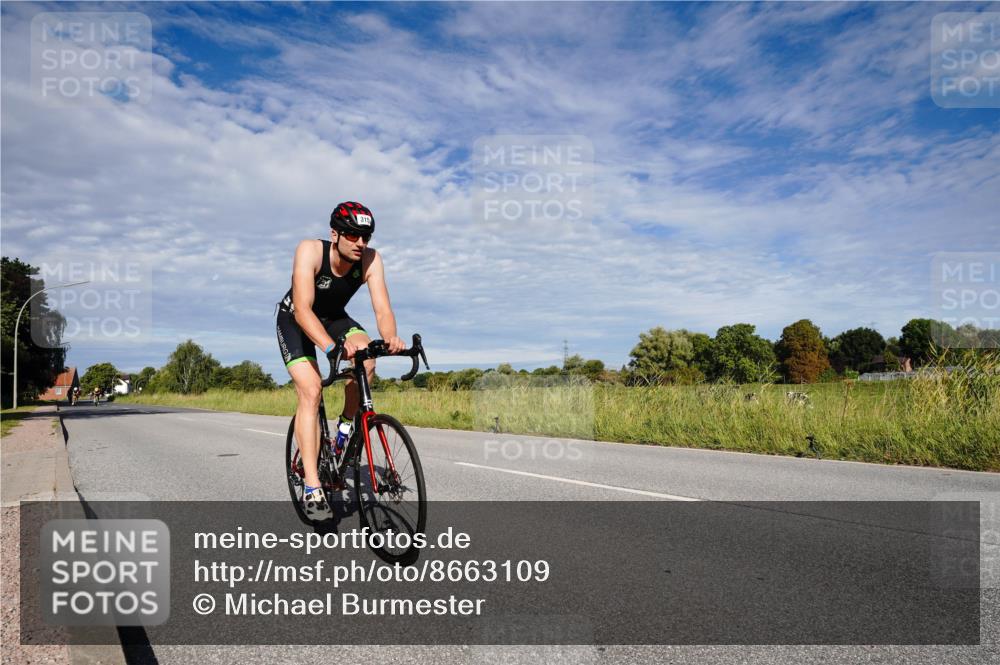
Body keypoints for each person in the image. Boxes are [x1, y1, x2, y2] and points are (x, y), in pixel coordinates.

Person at [276, 201, 405, 520]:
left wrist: (389, 339)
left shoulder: (371, 260)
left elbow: (382, 310)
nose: (360, 243)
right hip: (296, 319)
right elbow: (304, 309)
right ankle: (312, 484)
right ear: (335, 233)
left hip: (334, 318)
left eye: (366, 236)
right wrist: (330, 347)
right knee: (311, 389)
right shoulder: (310, 250)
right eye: (352, 235)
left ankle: (346, 426)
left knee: (368, 361)